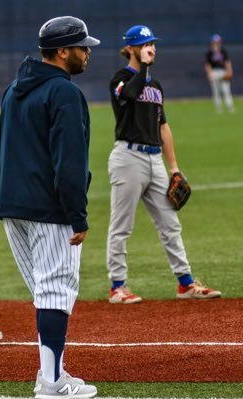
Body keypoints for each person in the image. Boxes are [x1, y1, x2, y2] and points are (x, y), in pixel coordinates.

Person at [0, 16, 99, 399]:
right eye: (82, 46)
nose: (88, 52)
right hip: (50, 208)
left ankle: (49, 373)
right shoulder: (64, 93)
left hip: (13, 205)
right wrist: (78, 214)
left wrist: (9, 197)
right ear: (61, 51)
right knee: (56, 291)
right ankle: (53, 383)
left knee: (45, 293)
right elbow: (70, 160)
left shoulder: (12, 89)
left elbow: (2, 151)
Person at [106, 25, 222, 304]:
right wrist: (143, 68)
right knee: (122, 225)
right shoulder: (120, 79)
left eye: (153, 44)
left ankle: (185, 283)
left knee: (170, 224)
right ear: (132, 49)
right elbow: (130, 95)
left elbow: (164, 127)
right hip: (128, 158)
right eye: (146, 44)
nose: (152, 48)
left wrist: (174, 168)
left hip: (154, 159)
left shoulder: (155, 86)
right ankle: (117, 287)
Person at [204, 34, 235, 113]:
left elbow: (227, 62)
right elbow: (207, 64)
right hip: (214, 72)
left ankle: (230, 107)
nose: (216, 43)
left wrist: (229, 71)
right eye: (215, 41)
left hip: (223, 71)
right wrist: (209, 74)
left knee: (226, 90)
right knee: (216, 91)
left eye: (218, 41)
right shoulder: (209, 53)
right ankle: (219, 108)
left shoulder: (223, 51)